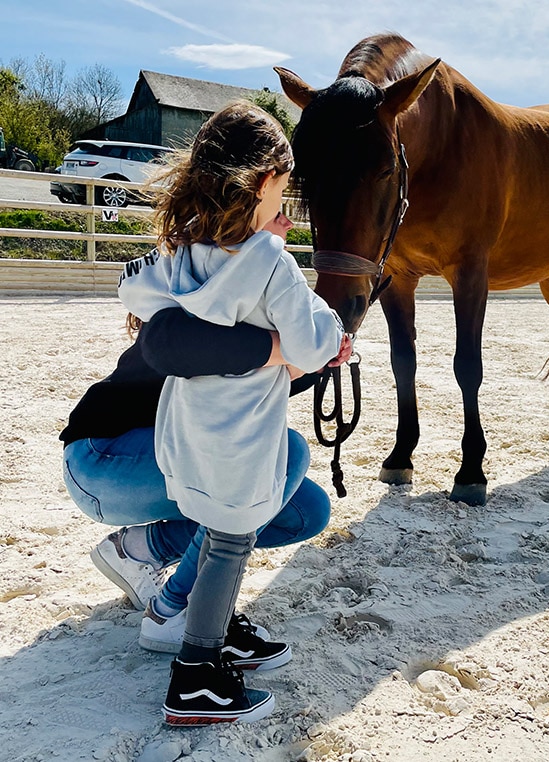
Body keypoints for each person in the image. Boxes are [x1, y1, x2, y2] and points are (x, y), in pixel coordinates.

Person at [117, 100, 348, 726]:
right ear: (259, 180)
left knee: (217, 536)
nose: (286, 202)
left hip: (187, 432)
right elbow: (307, 345)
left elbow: (132, 288)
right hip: (240, 441)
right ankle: (195, 673)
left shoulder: (185, 251)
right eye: (283, 185)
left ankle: (204, 636)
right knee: (228, 545)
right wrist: (331, 331)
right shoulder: (272, 262)